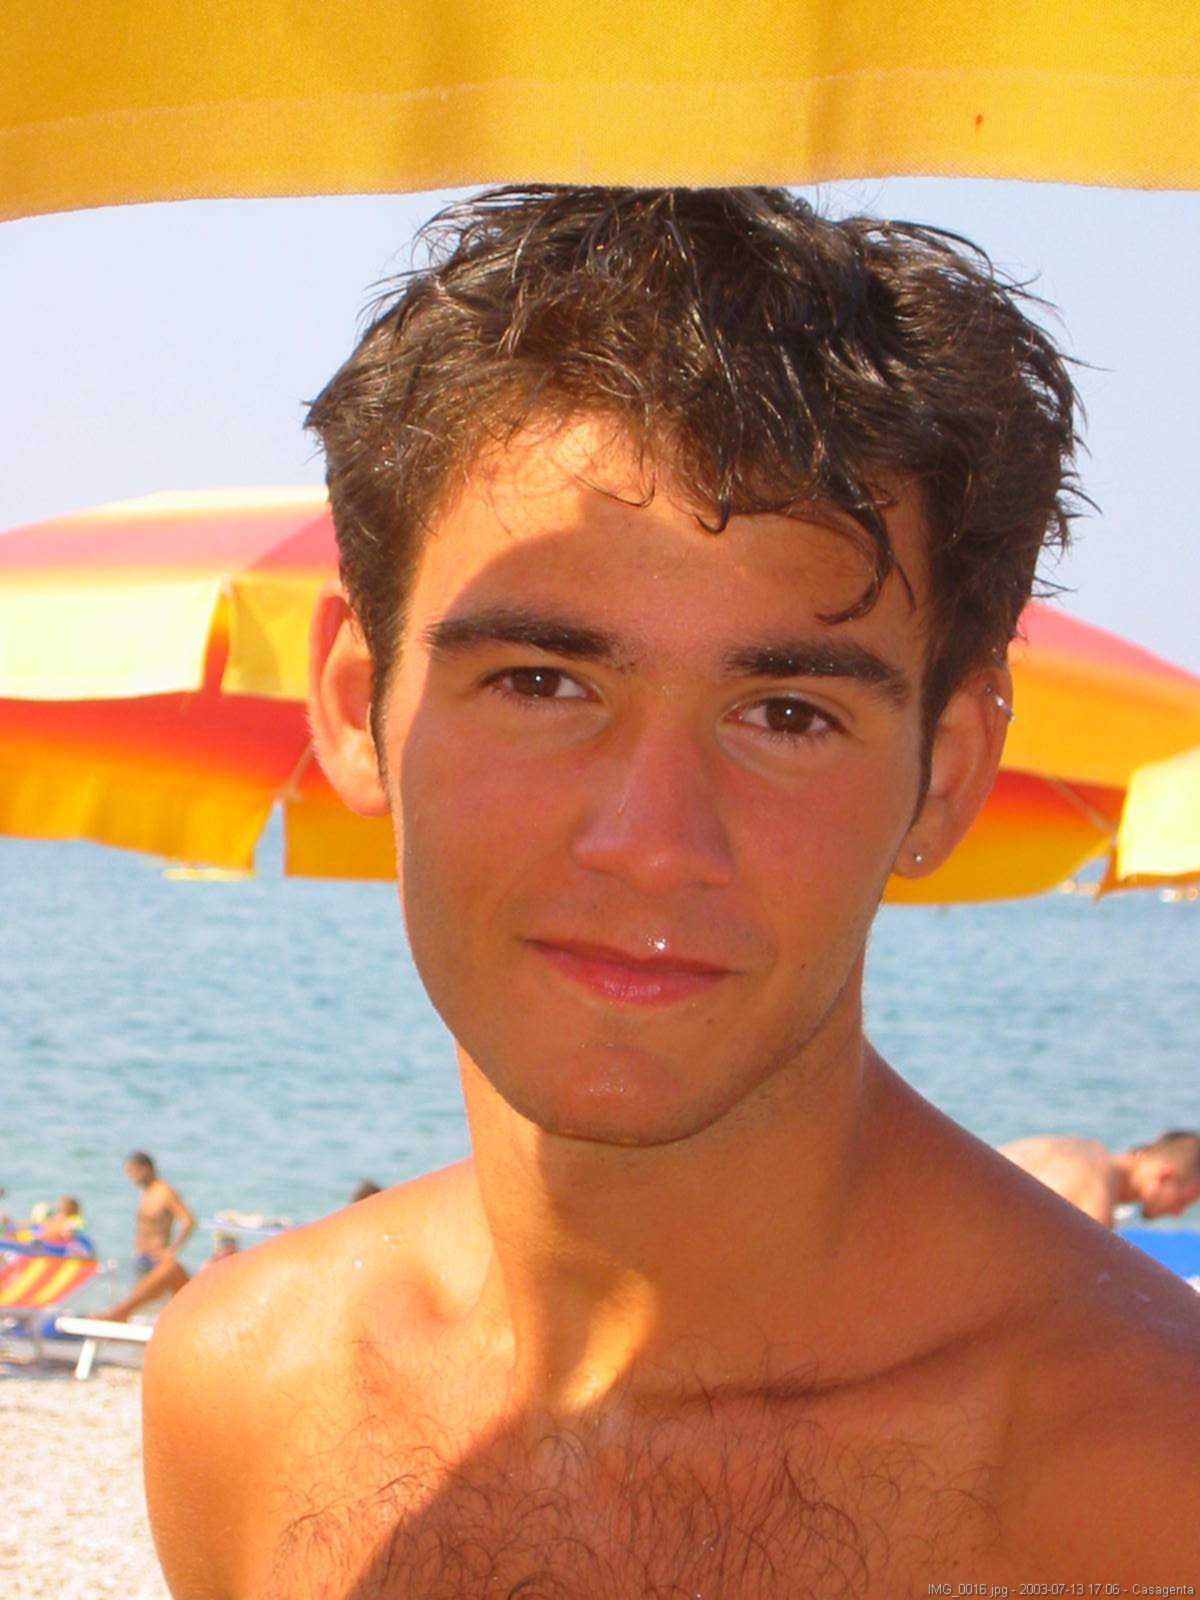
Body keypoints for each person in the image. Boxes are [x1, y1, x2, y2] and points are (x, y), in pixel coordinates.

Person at [144, 187, 1200, 1596]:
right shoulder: (243, 1394)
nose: (651, 842)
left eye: (788, 715)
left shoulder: (1146, 1479)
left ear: (946, 774)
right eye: (541, 682)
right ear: (353, 706)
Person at [1000, 1128, 1200, 1228]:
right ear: (1164, 1177)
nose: (1178, 1213)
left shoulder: (1082, 1150)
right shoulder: (1095, 1193)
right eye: (1182, 1201)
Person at [104, 1151, 194, 1321]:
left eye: (133, 1171)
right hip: (141, 1258)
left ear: (145, 1168)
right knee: (146, 1308)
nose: (131, 1177)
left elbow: (188, 1221)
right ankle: (119, 1316)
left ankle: (117, 1315)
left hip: (158, 1258)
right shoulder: (146, 1192)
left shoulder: (164, 1192)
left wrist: (172, 1250)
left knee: (151, 1302)